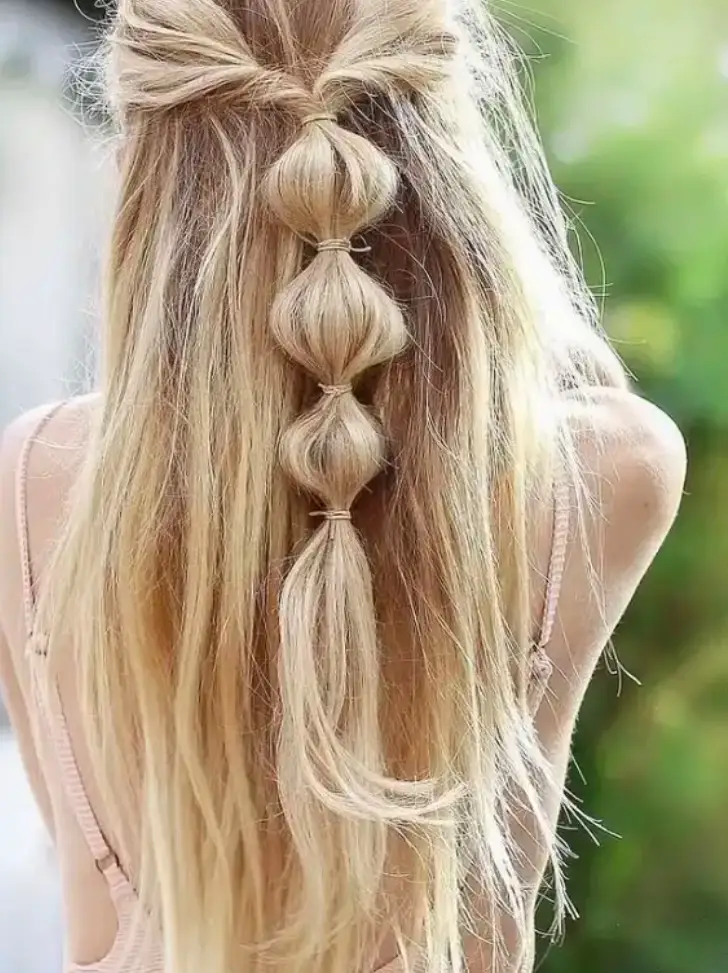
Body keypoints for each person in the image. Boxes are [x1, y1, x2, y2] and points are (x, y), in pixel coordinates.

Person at [0, 2, 686, 972]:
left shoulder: (37, 479)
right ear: (451, 156)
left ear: (143, 168)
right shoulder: (605, 472)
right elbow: (494, 917)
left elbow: (95, 936)